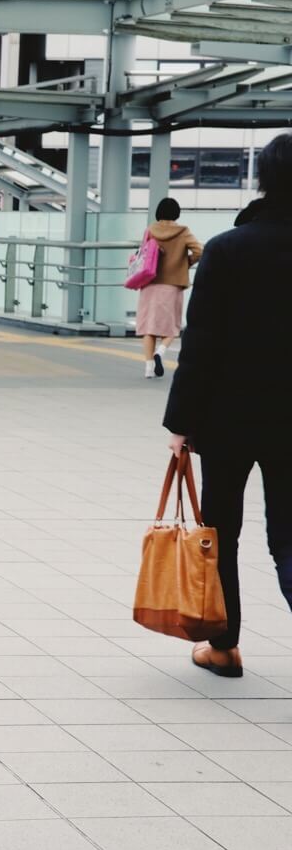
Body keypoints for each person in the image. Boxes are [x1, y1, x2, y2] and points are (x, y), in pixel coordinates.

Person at [164, 133, 292, 680]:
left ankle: (223, 647)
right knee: (290, 535)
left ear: (262, 178)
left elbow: (203, 342)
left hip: (228, 417)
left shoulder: (229, 247)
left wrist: (181, 422)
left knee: (220, 532)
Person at [138, 197, 202, 379]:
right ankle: (161, 351)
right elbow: (200, 251)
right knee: (171, 327)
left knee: (148, 327)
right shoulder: (183, 232)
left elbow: (143, 253)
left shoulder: (150, 230)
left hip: (150, 282)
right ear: (176, 213)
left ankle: (149, 369)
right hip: (173, 285)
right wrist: (185, 263)